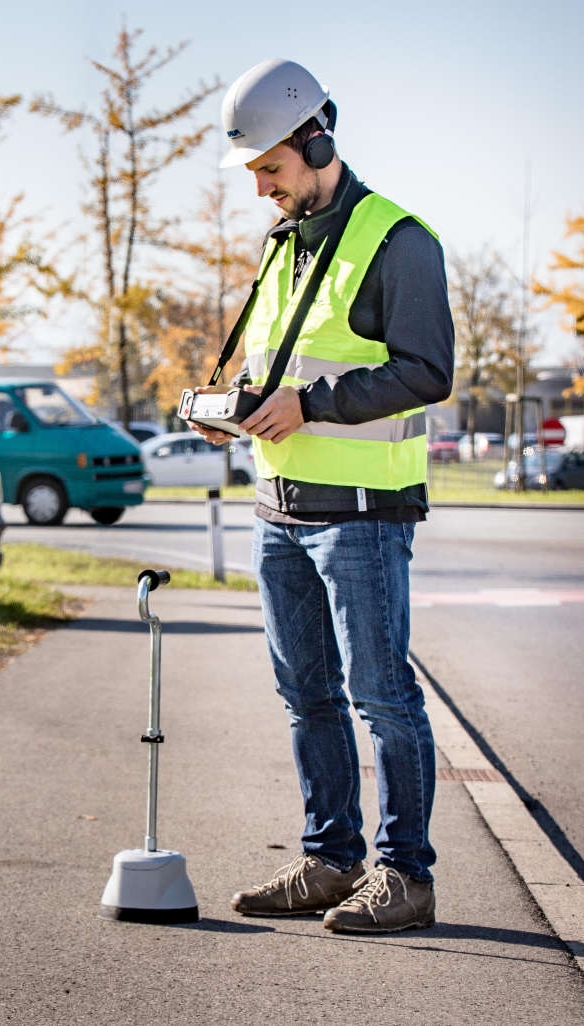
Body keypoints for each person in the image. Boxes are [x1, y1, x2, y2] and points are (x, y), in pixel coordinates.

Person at [188, 58, 454, 933]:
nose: (260, 187)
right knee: (306, 695)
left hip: (364, 519)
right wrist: (234, 409)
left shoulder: (399, 240)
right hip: (280, 510)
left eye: (269, 168)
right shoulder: (285, 244)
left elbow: (427, 371)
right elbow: (286, 365)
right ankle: (331, 861)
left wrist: (313, 404)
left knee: (382, 697)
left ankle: (405, 878)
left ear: (318, 141)